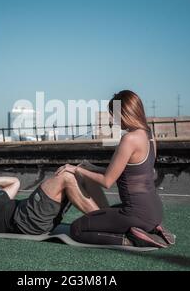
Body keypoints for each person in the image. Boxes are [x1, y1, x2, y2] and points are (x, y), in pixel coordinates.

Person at [56, 90, 175, 248]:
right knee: (107, 213)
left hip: (136, 213)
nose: (113, 119)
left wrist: (75, 169)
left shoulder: (129, 139)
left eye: (114, 114)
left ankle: (131, 239)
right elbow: (128, 172)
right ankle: (152, 230)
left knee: (77, 229)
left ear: (125, 112)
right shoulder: (149, 136)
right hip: (154, 212)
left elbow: (107, 181)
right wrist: (91, 167)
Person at [0, 167, 106, 235]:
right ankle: (107, 221)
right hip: (26, 219)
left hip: (32, 213)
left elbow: (14, 182)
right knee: (66, 177)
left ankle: (110, 214)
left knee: (80, 174)